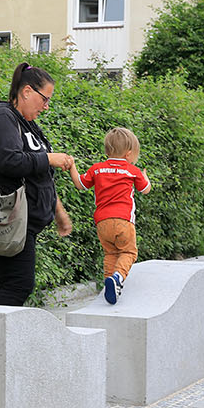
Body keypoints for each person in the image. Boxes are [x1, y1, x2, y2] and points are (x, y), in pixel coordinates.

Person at [0, 62, 74, 305]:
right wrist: (49, 158)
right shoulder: (2, 116)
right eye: (44, 99)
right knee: (19, 284)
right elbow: (9, 161)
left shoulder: (28, 124)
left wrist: (58, 212)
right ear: (26, 91)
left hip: (21, 223)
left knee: (3, 284)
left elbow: (39, 175)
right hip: (4, 219)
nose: (46, 107)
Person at [65, 126, 152, 304]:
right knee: (128, 252)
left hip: (102, 222)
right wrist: (145, 177)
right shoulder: (131, 170)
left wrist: (72, 166)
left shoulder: (97, 169)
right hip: (123, 221)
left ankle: (109, 285)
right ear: (128, 154)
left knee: (111, 253)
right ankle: (118, 277)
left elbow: (80, 184)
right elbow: (145, 189)